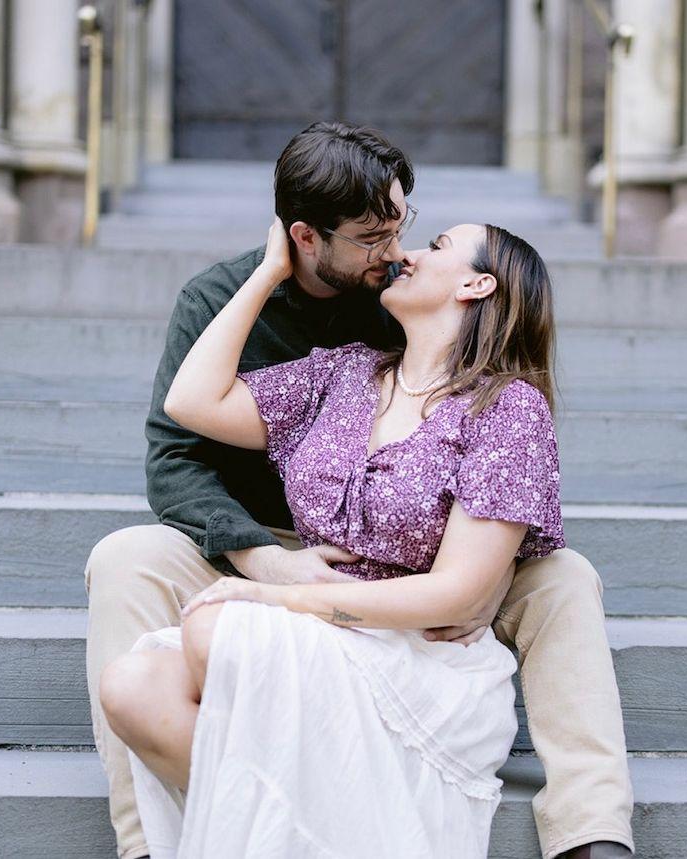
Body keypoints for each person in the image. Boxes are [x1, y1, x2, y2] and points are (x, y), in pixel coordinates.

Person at [84, 122, 634, 859]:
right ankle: (155, 842)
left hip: (425, 548)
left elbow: (490, 410)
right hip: (269, 537)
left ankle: (589, 828)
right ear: (306, 237)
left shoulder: (428, 327)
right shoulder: (243, 312)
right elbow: (179, 446)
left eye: (406, 228)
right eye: (375, 237)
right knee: (126, 563)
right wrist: (265, 565)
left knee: (564, 575)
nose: (398, 251)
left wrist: (477, 577)